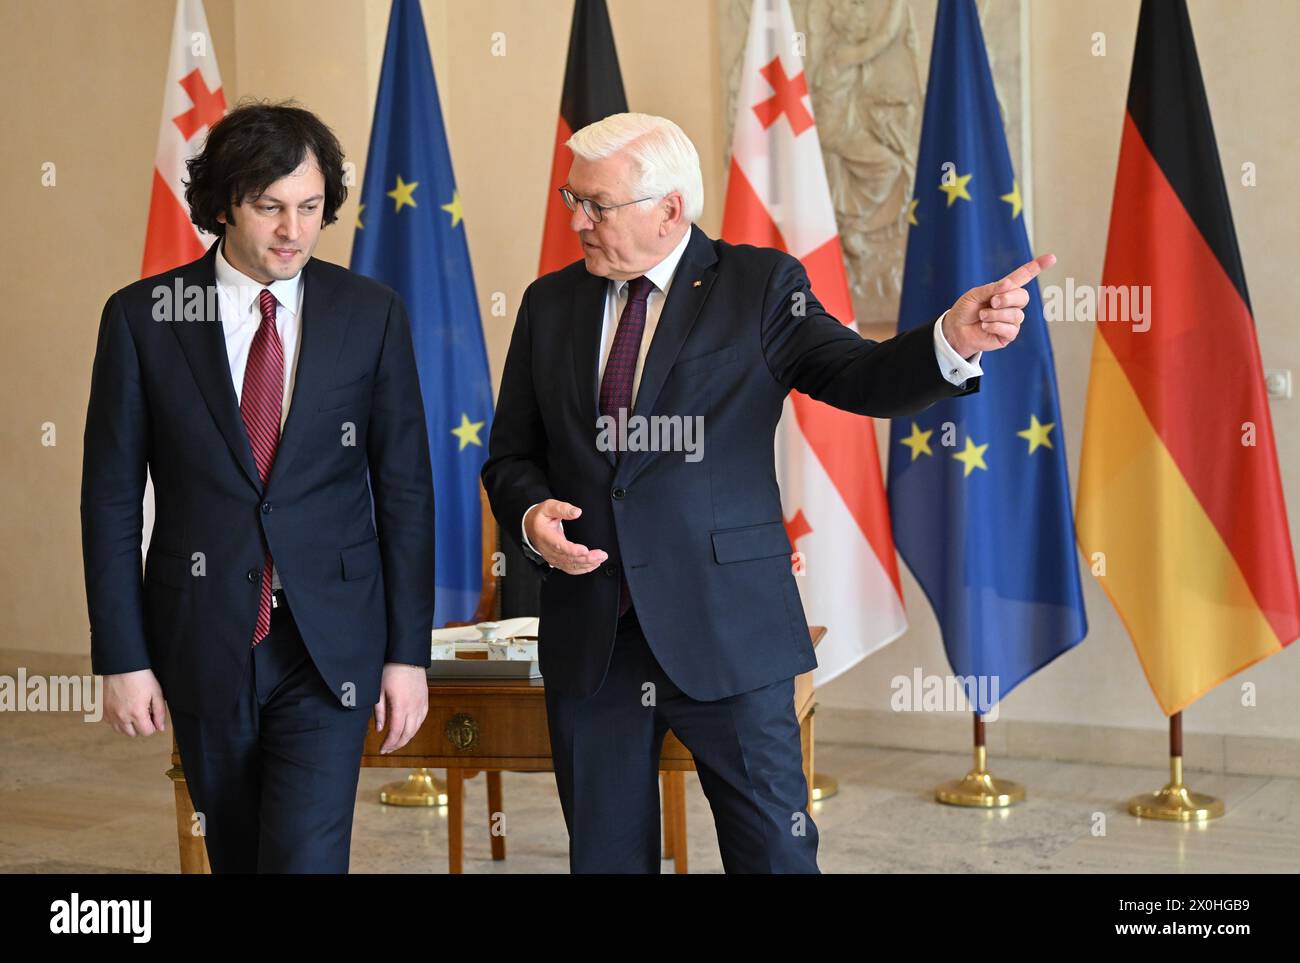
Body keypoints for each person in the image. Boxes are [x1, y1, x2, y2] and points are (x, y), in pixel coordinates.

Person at [482, 112, 1050, 873]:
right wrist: (528, 514)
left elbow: (859, 374)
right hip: (594, 634)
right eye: (571, 198)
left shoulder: (757, 287)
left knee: (774, 854)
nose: (577, 220)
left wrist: (951, 338)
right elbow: (513, 452)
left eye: (596, 205)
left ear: (670, 211)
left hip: (729, 627)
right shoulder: (550, 303)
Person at [81, 101, 436, 873]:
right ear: (221, 206)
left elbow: (405, 490)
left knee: (305, 859)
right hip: (204, 637)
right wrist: (121, 655)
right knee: (240, 857)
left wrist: (408, 653)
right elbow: (109, 499)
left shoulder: (369, 314)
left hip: (329, 642)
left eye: (309, 208)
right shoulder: (142, 319)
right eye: (269, 206)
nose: (293, 230)